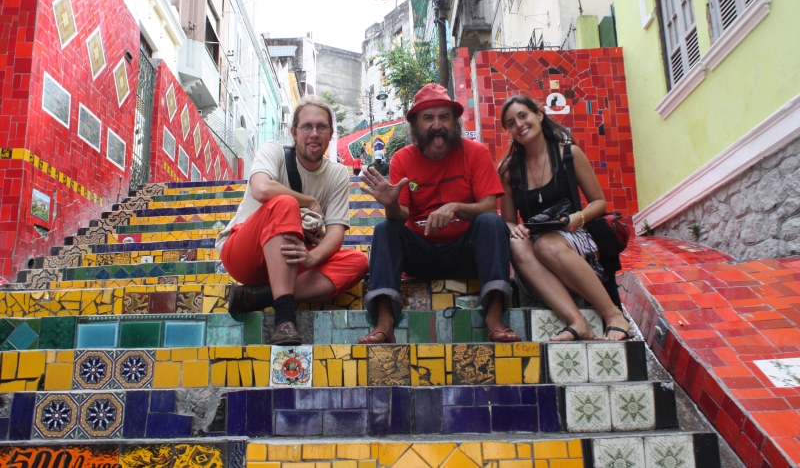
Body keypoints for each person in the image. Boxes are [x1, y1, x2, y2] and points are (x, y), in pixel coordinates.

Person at [358, 83, 520, 343]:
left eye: (444, 117)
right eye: (428, 118)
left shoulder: (475, 152)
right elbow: (400, 216)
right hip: (421, 255)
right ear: (415, 125)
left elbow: (489, 206)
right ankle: (384, 324)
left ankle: (494, 319)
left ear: (454, 122)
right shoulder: (402, 159)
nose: (437, 125)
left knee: (491, 222)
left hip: (467, 253)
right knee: (385, 229)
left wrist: (455, 207)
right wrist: (391, 204)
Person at [216, 95, 369, 345]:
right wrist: (308, 201)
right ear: (294, 132)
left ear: (330, 134)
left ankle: (258, 300)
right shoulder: (273, 150)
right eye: (307, 126)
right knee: (285, 203)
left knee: (358, 261)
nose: (314, 134)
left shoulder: (338, 174)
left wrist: (313, 257)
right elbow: (261, 188)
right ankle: (284, 320)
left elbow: (336, 234)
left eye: (321, 127)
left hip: (290, 259)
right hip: (245, 253)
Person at [498, 95, 631, 341]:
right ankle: (577, 322)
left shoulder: (569, 154)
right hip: (536, 241)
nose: (519, 125)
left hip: (574, 234)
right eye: (511, 123)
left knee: (546, 245)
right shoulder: (508, 170)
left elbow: (599, 202)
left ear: (539, 115)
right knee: (517, 243)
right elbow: (508, 219)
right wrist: (514, 228)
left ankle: (614, 315)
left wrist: (577, 218)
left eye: (523, 116)